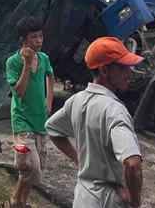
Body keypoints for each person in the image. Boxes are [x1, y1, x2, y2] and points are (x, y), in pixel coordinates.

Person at [45, 37, 144, 208]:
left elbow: (52, 128)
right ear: (104, 71)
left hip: (84, 196)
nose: (129, 73)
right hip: (109, 199)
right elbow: (133, 164)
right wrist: (135, 203)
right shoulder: (115, 110)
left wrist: (79, 161)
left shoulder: (76, 100)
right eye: (123, 67)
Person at [6, 17, 54, 208]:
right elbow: (19, 91)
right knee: (30, 166)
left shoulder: (44, 58)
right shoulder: (13, 62)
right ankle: (16, 200)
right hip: (22, 120)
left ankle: (20, 202)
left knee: (38, 166)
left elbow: (50, 75)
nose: (39, 41)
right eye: (34, 37)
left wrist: (49, 98)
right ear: (23, 39)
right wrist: (26, 64)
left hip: (40, 120)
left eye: (41, 36)